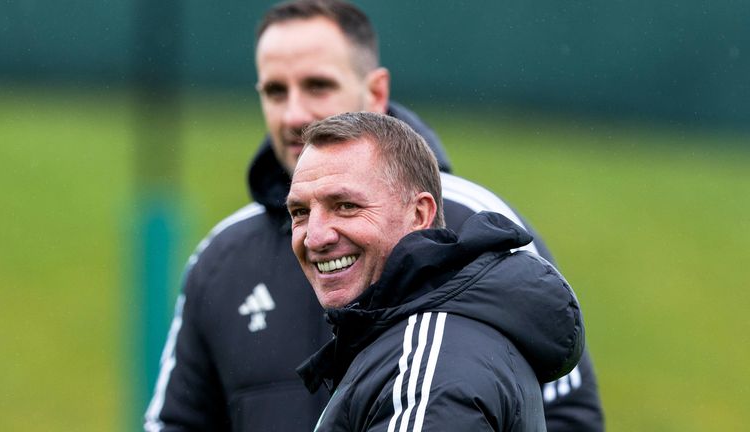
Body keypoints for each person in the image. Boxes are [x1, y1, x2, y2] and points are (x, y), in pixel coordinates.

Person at [144, 0, 603, 431]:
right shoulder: (223, 257)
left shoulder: (479, 224)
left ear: (376, 90)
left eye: (317, 85)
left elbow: (565, 410)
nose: (294, 114)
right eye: (276, 91)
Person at [289, 111, 584, 431]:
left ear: (419, 214)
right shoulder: (424, 342)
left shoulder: (425, 370)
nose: (314, 237)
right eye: (300, 212)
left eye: (346, 206)